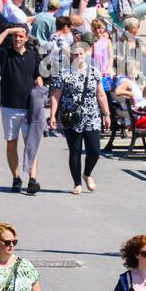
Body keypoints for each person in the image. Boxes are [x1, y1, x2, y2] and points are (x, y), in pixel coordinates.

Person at [50, 41, 111, 194]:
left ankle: (87, 174)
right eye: (75, 54)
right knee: (75, 151)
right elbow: (55, 96)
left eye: (81, 54)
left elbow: (101, 95)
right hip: (71, 116)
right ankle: (77, 183)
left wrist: (107, 114)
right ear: (71, 56)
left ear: (85, 55)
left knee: (95, 150)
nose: (78, 57)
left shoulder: (94, 72)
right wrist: (52, 115)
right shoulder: (64, 74)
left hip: (92, 116)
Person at [0, 24, 44, 194]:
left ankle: (32, 179)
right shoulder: (6, 54)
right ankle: (16, 177)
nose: (18, 39)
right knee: (12, 144)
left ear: (26, 38)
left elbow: (37, 75)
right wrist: (7, 31)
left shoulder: (33, 55)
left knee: (31, 143)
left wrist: (39, 86)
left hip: (29, 107)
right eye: (16, 36)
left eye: (21, 36)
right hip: (9, 106)